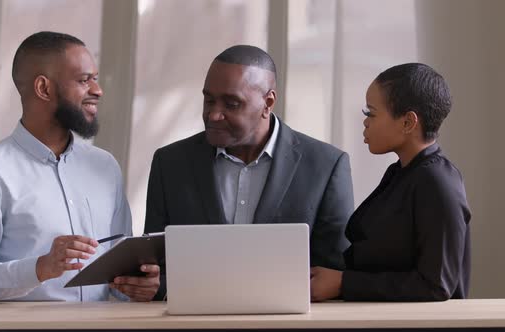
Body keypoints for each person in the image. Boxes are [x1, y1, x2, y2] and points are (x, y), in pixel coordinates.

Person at [0, 31, 159, 303]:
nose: (98, 90)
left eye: (95, 78)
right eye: (84, 80)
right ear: (44, 88)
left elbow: (118, 275)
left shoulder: (105, 166)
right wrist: (39, 268)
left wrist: (136, 286)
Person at [144, 45, 354, 300]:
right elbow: (156, 268)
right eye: (208, 99)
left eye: (231, 104)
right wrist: (151, 285)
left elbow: (334, 275)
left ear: (268, 103)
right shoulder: (170, 164)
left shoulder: (326, 165)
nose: (214, 114)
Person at [310, 63, 471, 302]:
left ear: (408, 122)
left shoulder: (437, 182)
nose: (364, 123)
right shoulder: (402, 172)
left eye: (371, 114)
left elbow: (436, 286)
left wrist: (343, 283)